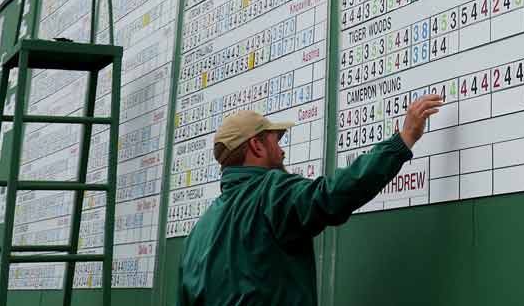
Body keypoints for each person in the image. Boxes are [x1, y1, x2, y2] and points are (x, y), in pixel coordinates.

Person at [178, 93, 445, 306]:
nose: (282, 151)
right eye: (275, 141)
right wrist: (403, 140)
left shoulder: (199, 233)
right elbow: (332, 194)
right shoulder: (271, 192)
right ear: (256, 146)